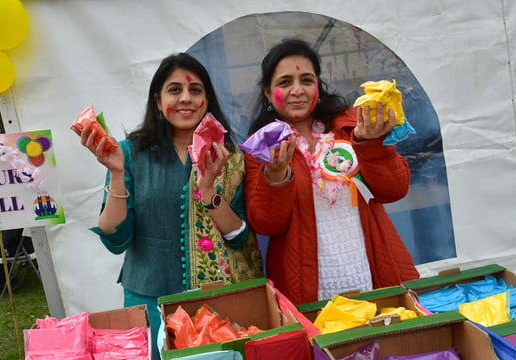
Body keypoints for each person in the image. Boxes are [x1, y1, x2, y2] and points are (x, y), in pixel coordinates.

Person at [81, 53, 263, 338]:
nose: (186, 98)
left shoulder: (228, 157)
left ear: (208, 101)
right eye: (175, 90)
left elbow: (238, 237)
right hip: (152, 303)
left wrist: (208, 191)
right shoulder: (128, 153)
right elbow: (116, 238)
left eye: (195, 90)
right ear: (158, 101)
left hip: (215, 304)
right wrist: (116, 174)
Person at [243, 38, 419, 306]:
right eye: (285, 82)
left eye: (306, 80)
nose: (297, 90)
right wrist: (276, 177)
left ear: (318, 84)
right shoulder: (262, 148)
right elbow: (267, 224)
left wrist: (371, 145)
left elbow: (394, 190)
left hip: (370, 271)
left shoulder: (351, 127)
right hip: (309, 287)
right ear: (267, 92)